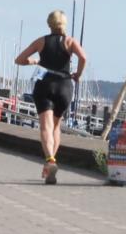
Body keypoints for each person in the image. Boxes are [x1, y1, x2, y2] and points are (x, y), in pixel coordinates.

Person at [15, 10, 87, 184]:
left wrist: (32, 61)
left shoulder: (41, 41)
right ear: (64, 24)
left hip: (45, 85)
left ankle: (50, 161)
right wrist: (77, 73)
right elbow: (83, 57)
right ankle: (50, 165)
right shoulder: (70, 42)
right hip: (64, 86)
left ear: (49, 24)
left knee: (45, 127)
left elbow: (19, 59)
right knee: (56, 127)